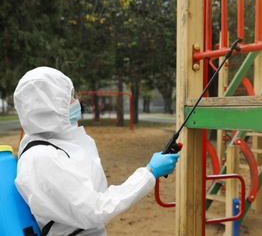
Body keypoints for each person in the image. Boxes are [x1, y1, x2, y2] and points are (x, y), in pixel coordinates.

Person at [13, 66, 180, 236]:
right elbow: (96, 210)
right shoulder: (41, 157)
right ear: (49, 106)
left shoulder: (57, 142)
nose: (75, 101)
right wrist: (149, 172)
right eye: (68, 97)